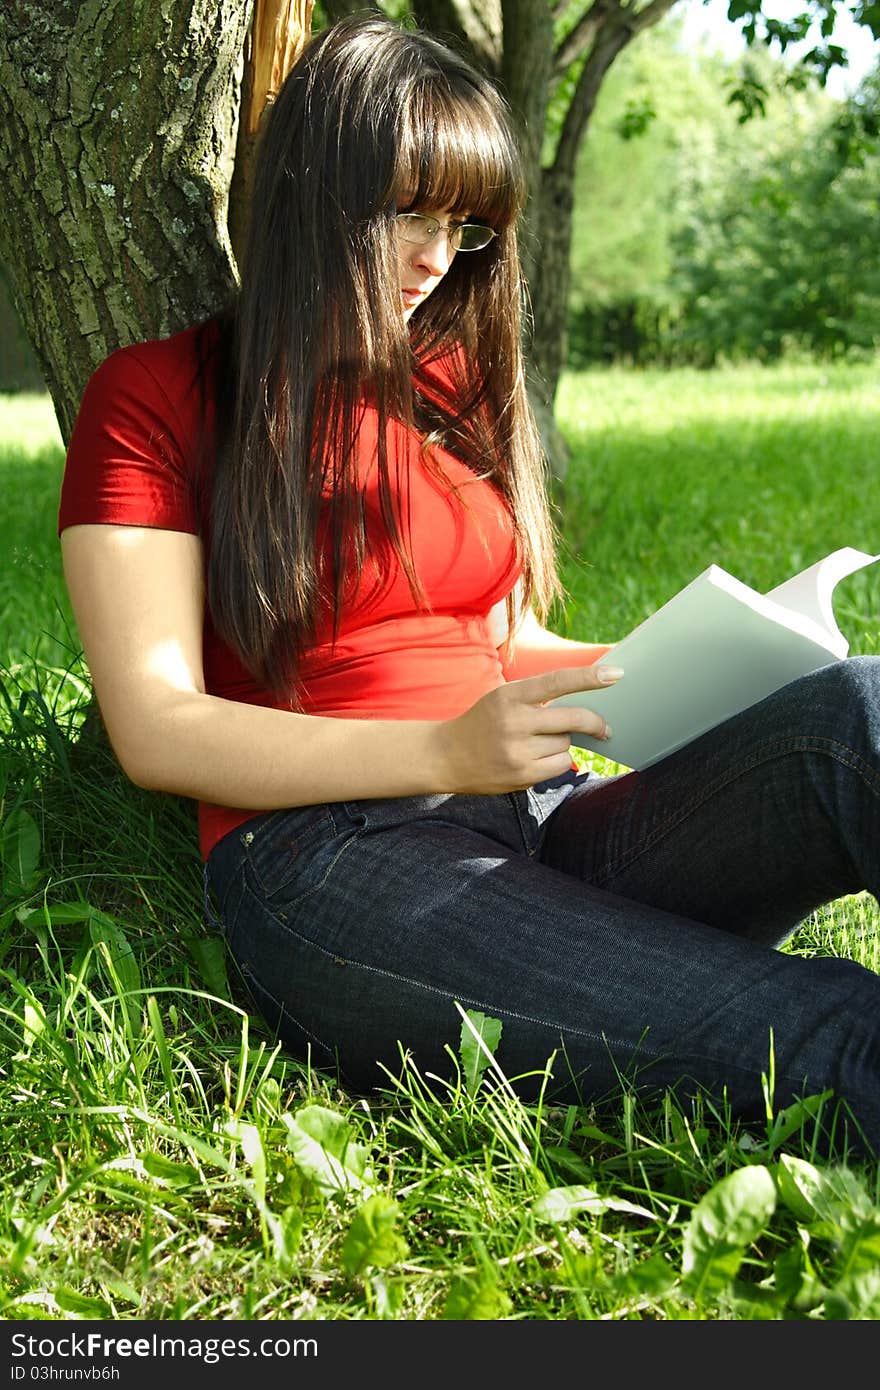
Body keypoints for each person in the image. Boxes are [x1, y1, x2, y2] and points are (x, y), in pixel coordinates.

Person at [59, 15, 880, 1155]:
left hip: (538, 816)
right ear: (312, 191)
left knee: (859, 710)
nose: (439, 257)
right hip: (335, 864)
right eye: (410, 210)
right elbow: (156, 727)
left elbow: (500, 645)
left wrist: (719, 668)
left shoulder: (443, 381)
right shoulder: (161, 395)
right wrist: (445, 754)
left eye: (465, 226)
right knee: (830, 1026)